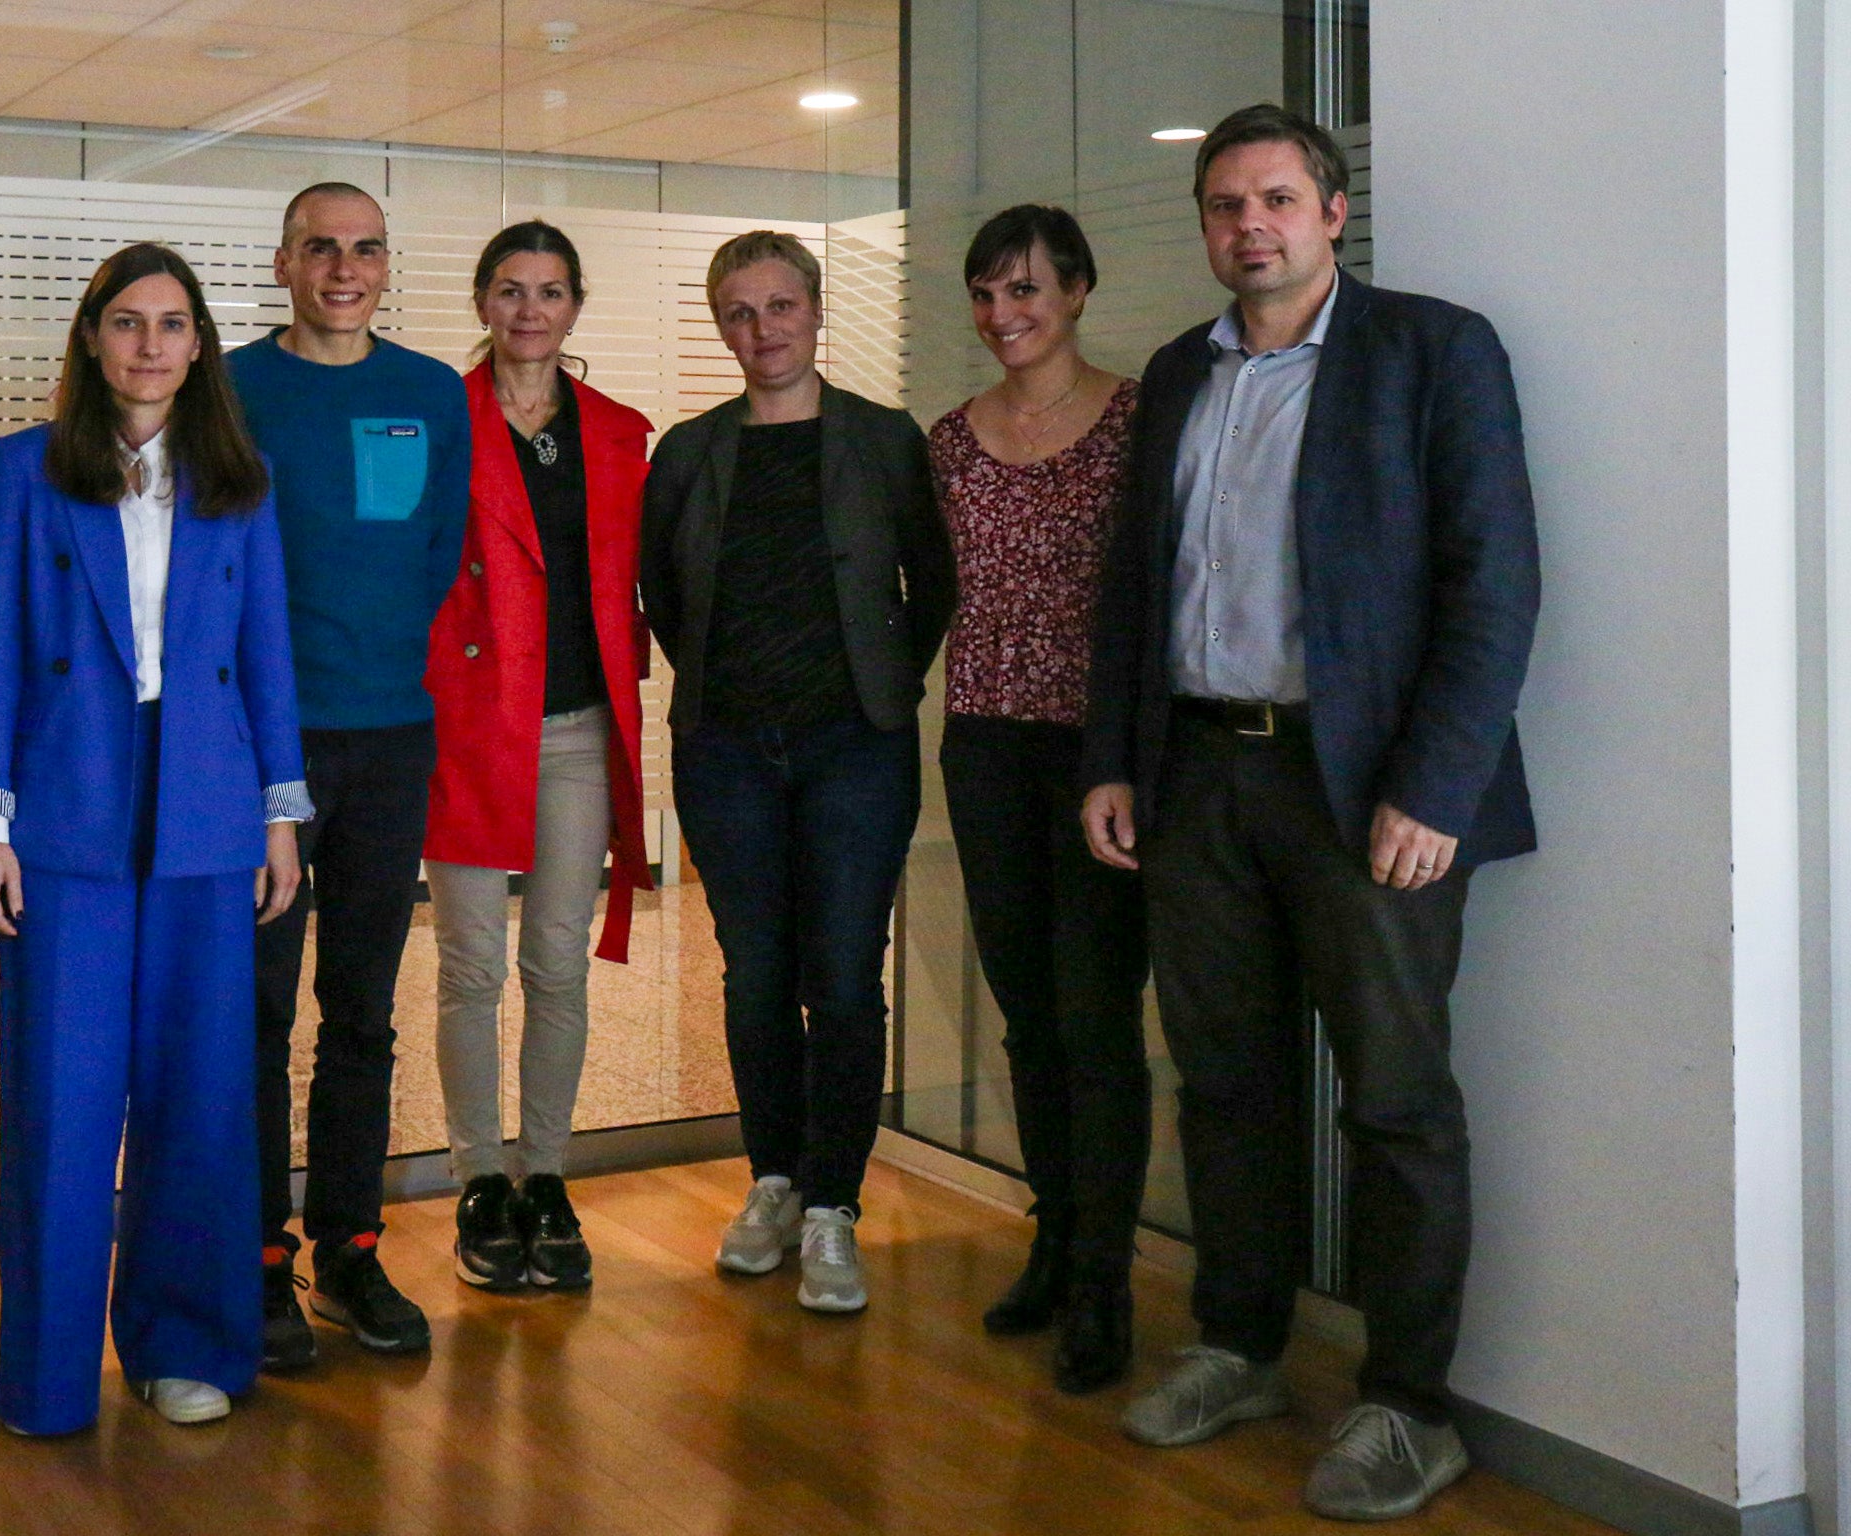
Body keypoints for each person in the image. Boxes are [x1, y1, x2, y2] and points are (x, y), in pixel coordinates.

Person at [1080, 104, 1538, 1522]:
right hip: (1203, 774)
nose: (1249, 225)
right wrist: (1113, 758)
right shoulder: (1177, 374)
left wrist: (1437, 787)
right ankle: (1239, 1343)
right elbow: (1133, 591)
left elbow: (1495, 578)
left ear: (1335, 212)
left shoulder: (1431, 351)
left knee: (1397, 1102)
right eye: (1225, 204)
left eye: (1277, 197)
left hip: (1370, 791)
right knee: (1224, 1081)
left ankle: (1407, 1405)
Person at [0, 243, 309, 1435]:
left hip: (209, 811)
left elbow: (266, 656)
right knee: (62, 1100)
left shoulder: (239, 477)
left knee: (200, 1095)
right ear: (92, 341)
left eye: (171, 324)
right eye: (126, 324)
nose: (150, 346)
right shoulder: (24, 472)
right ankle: (50, 1380)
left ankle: (186, 1346)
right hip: (68, 813)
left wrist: (280, 817)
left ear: (199, 344)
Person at [640, 229, 953, 1315]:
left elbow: (933, 585)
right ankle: (774, 1180)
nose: (761, 331)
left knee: (845, 978)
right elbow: (664, 598)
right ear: (720, 325)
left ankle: (835, 1209)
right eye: (739, 311)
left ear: (817, 312)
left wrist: (873, 689)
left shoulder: (883, 439)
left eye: (780, 306)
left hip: (854, 749)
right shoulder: (688, 450)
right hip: (726, 750)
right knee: (755, 973)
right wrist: (738, 690)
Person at [228, 182, 471, 1366]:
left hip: (390, 739)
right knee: (258, 1011)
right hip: (262, 747)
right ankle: (257, 1255)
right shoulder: (233, 386)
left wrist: (369, 659)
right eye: (320, 247)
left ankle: (350, 1248)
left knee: (362, 1011)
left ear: (387, 265)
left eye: (365, 248)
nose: (343, 267)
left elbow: (433, 552)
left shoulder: (428, 394)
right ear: (283, 262)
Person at [927, 205, 1150, 1393]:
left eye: (1024, 290)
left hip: (1103, 759)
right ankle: (1055, 1236)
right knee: (1026, 1012)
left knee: (1098, 1020)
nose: (1003, 315)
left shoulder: (1134, 422)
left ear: (1075, 292)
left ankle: (1108, 1280)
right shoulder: (950, 441)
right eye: (985, 293)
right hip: (985, 749)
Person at [424, 221, 655, 1294]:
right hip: (469, 720)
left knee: (555, 962)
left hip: (576, 726)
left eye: (550, 291)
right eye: (509, 289)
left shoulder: (617, 431)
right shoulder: (436, 419)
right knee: (471, 966)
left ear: (573, 307)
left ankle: (547, 1174)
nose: (529, 310)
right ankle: (480, 1177)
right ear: (482, 301)